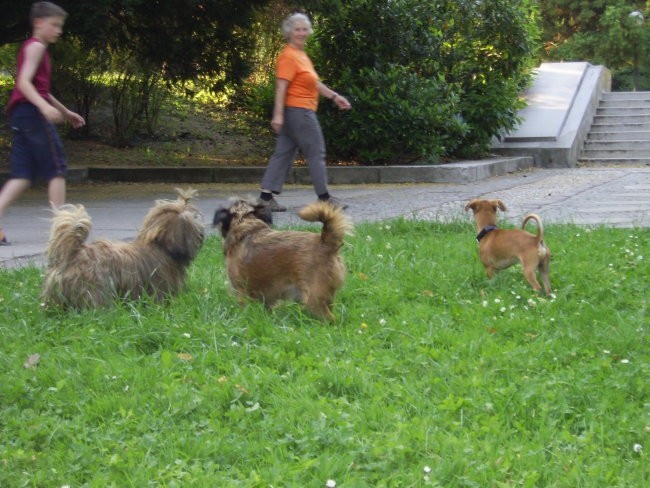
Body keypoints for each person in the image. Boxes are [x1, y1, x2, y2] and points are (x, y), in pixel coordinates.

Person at [0, 1, 85, 245]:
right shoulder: (36, 47)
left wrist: (64, 111)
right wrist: (43, 107)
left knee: (22, 174)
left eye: (61, 26)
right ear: (39, 23)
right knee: (56, 168)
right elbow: (24, 83)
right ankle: (62, 231)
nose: (59, 30)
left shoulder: (35, 48)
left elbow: (41, 89)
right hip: (31, 113)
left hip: (22, 114)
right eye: (55, 25)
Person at [258, 12, 351, 212]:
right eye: (297, 29)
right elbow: (281, 87)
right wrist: (278, 114)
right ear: (288, 32)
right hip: (299, 112)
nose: (301, 33)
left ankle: (265, 198)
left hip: (295, 112)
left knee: (283, 153)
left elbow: (314, 83)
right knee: (316, 152)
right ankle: (325, 198)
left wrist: (335, 97)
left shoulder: (302, 55)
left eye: (304, 29)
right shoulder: (288, 56)